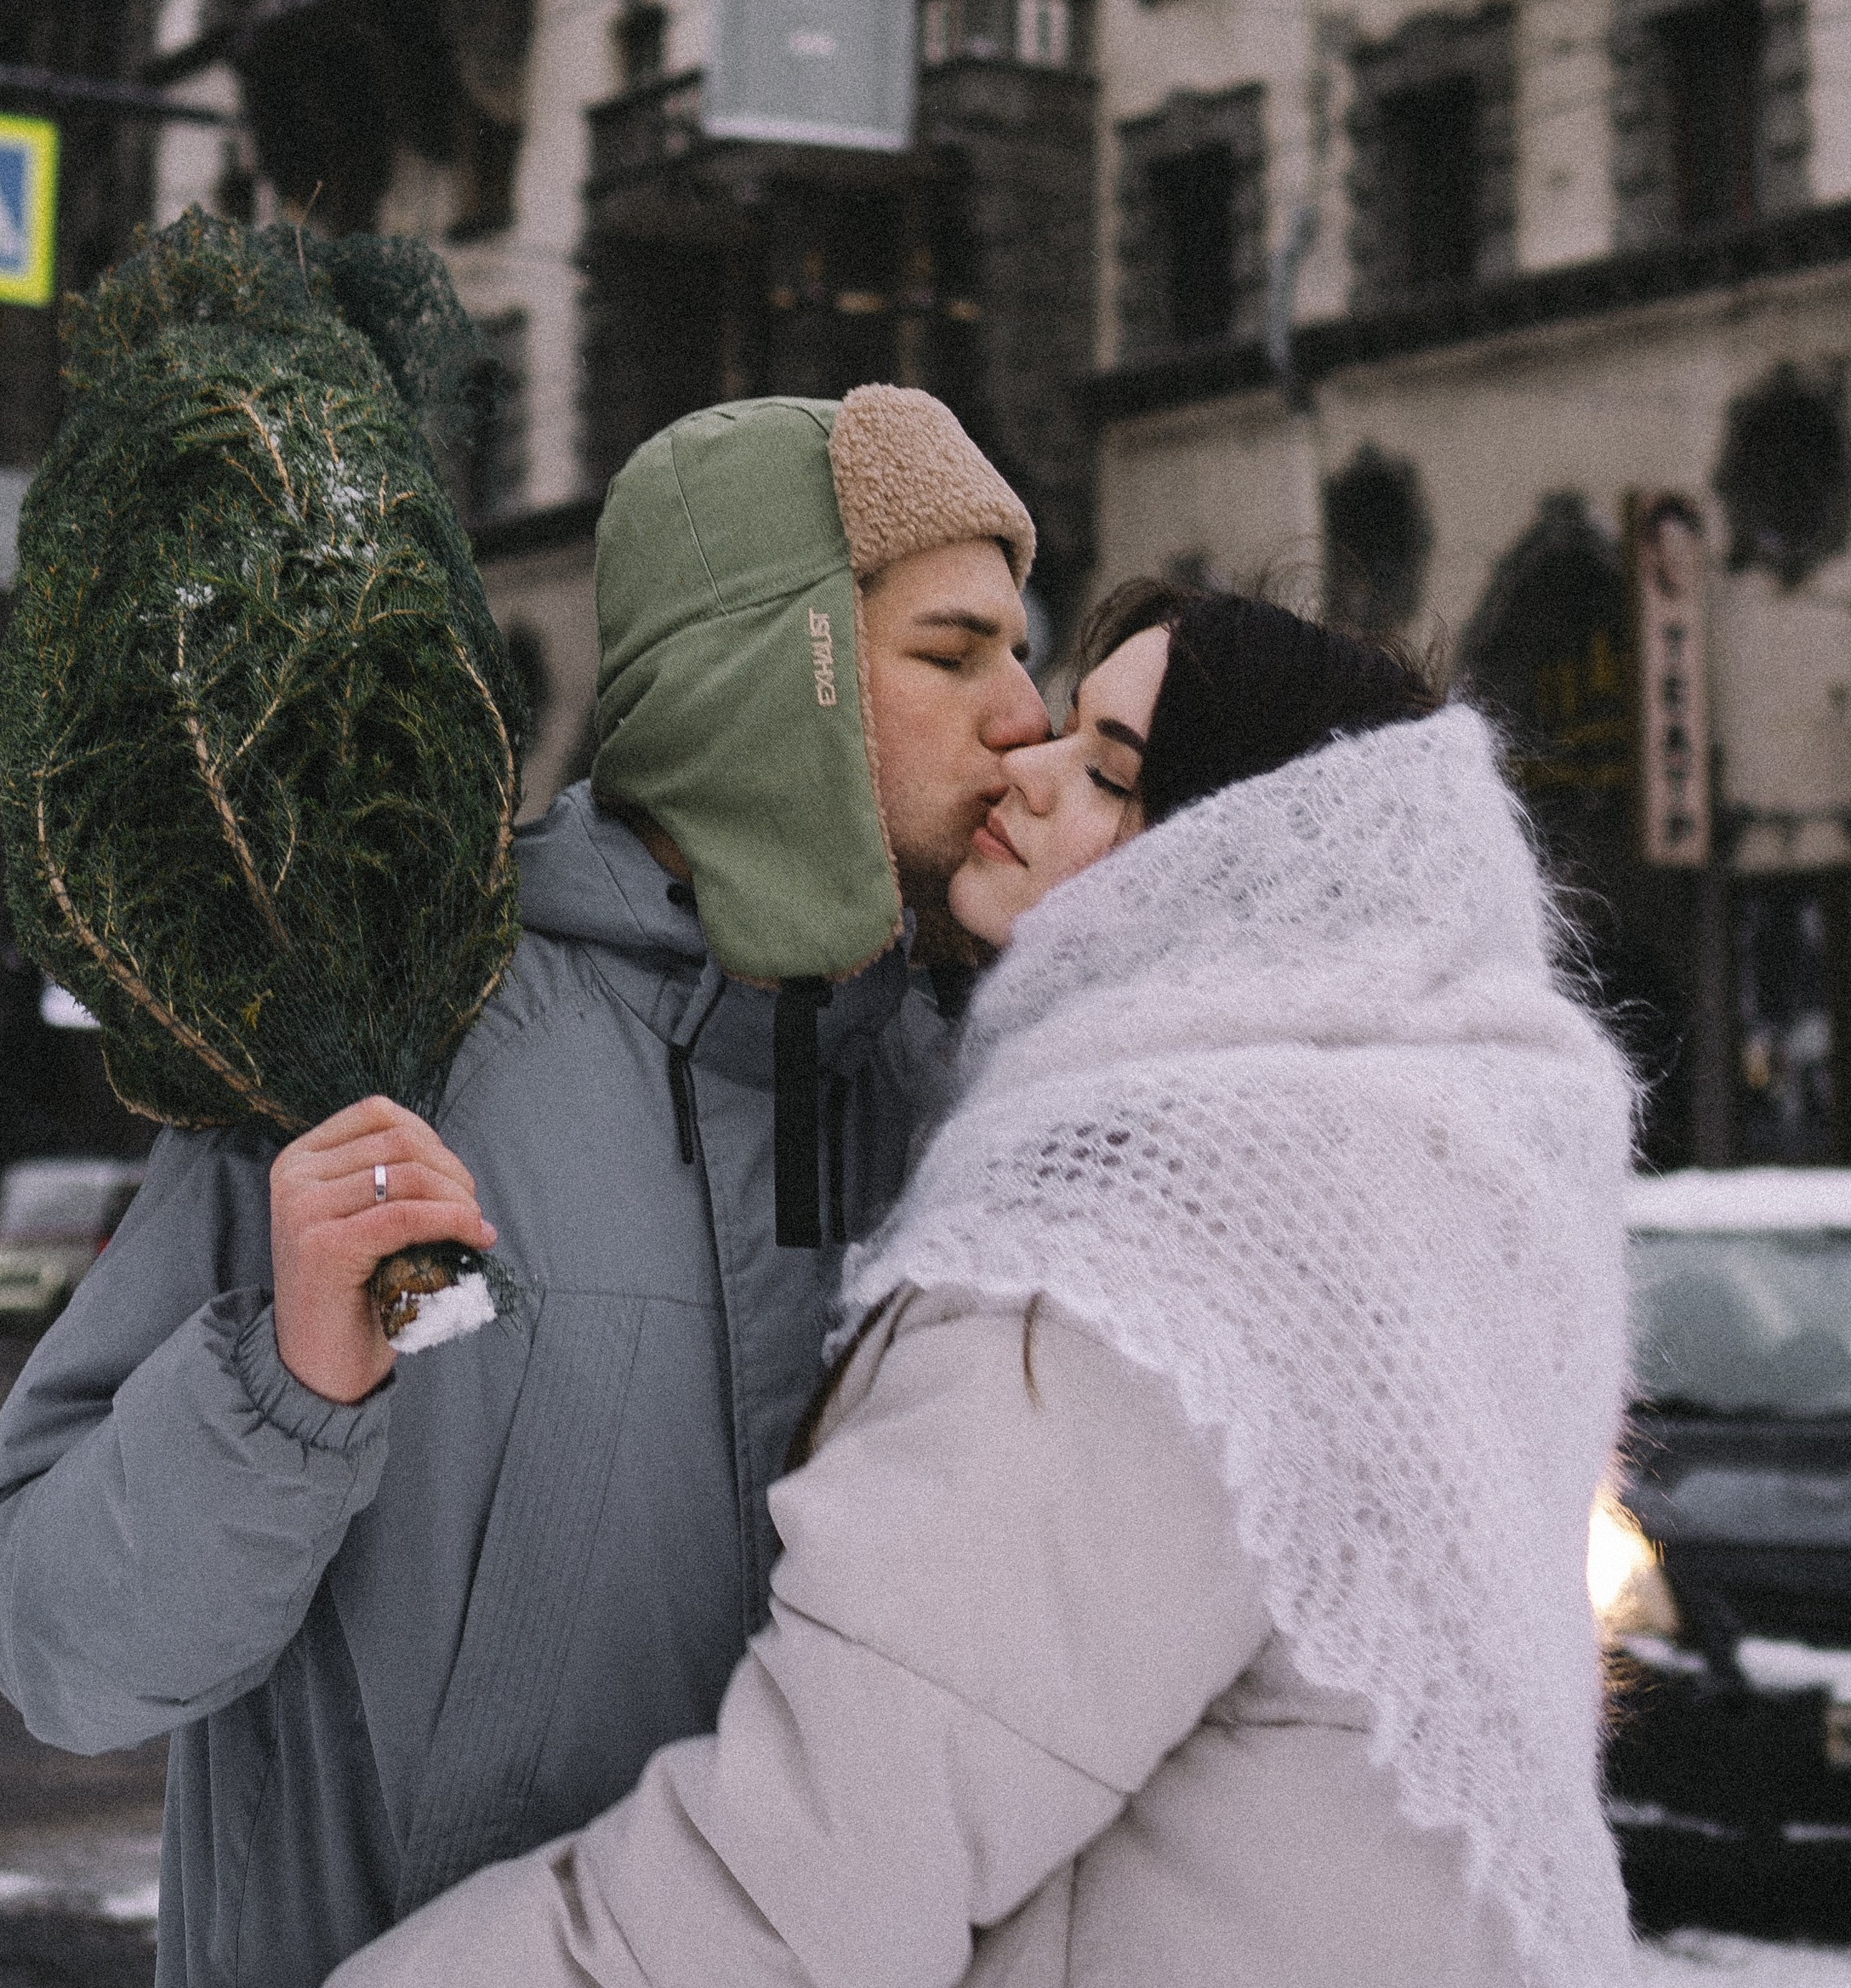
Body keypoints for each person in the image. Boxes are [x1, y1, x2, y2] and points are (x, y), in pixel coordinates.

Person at [329, 582, 1638, 1988]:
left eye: (1108, 773)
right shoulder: (1397, 1183)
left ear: (1225, 869)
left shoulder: (1148, 1251)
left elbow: (811, 1874)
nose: (1023, 762)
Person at [0, 387, 1046, 1988]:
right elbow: (64, 1657)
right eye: (954, 655)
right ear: (777, 679)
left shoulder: (975, 1099)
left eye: (1024, 649)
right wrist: (286, 1397)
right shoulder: (386, 1033)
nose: (1028, 710)